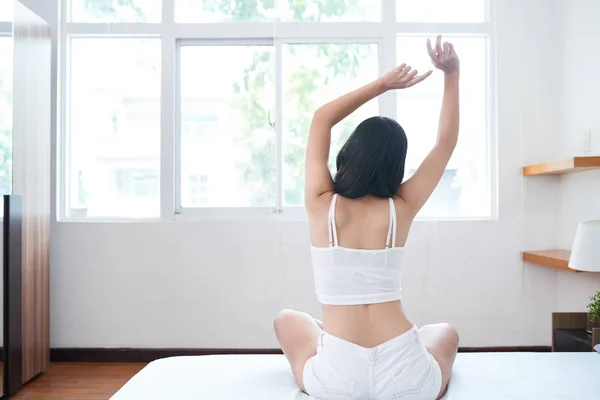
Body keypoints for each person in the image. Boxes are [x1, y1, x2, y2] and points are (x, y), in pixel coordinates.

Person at [274, 35, 460, 400]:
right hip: (408, 381)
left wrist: (383, 84)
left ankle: (330, 333)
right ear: (396, 164)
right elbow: (445, 143)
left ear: (351, 152)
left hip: (336, 381)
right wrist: (451, 73)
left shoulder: (320, 203)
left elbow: (321, 119)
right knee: (444, 332)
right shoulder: (401, 206)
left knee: (287, 320)